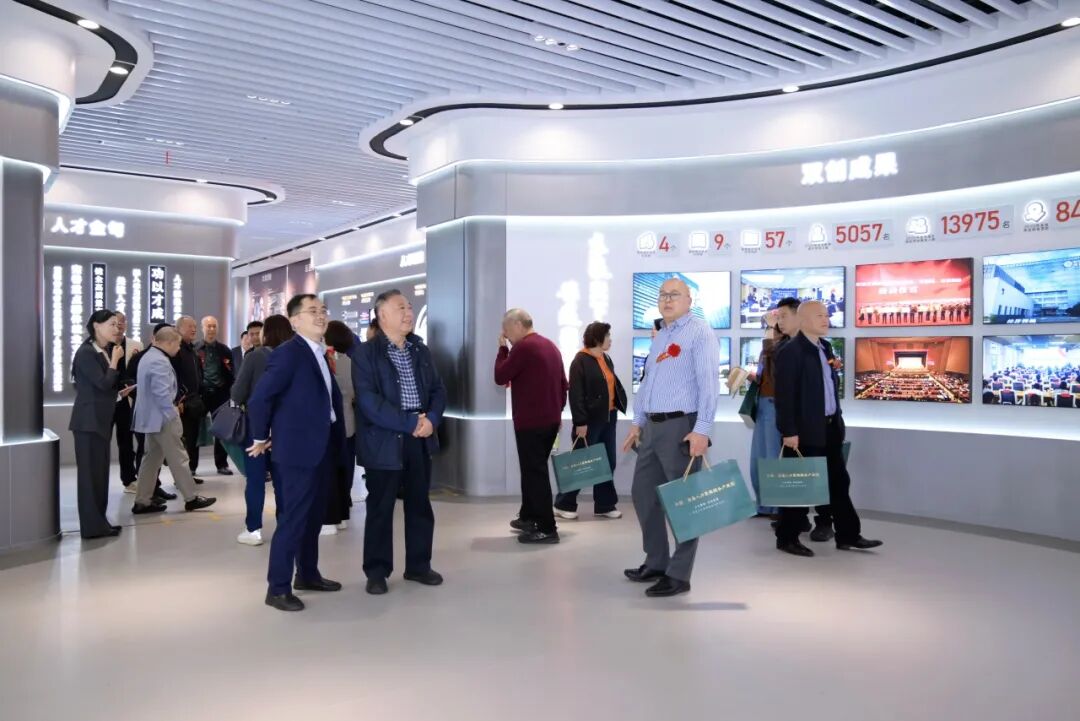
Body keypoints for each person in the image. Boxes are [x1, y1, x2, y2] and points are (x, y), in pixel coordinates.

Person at [620, 278, 720, 598]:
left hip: (681, 427)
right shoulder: (661, 333)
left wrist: (702, 429)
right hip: (652, 427)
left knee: (683, 502)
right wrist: (637, 422)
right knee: (643, 495)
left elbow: (709, 384)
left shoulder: (700, 332)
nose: (667, 299)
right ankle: (656, 562)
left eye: (674, 294)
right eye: (662, 295)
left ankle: (679, 574)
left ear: (690, 300)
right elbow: (648, 382)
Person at [248, 294, 345, 613]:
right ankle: (277, 588)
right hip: (297, 452)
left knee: (313, 516)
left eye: (323, 310)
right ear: (294, 321)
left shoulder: (318, 352)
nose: (320, 315)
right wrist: (261, 436)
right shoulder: (289, 353)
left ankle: (307, 574)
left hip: (321, 447)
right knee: (292, 519)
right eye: (312, 311)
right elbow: (260, 398)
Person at [352, 291, 447, 594]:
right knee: (380, 507)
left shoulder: (420, 349)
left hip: (419, 438)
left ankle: (419, 565)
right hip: (384, 440)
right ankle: (377, 571)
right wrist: (411, 423)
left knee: (420, 504)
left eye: (409, 307)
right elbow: (369, 402)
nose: (408, 312)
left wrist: (432, 419)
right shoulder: (366, 354)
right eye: (401, 308)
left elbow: (438, 390)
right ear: (382, 316)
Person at [773, 301, 883, 557]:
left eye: (826, 315)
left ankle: (848, 535)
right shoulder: (791, 351)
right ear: (803, 320)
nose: (825, 319)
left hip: (830, 428)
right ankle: (787, 538)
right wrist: (789, 431)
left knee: (839, 482)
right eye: (819, 316)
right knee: (798, 487)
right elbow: (784, 396)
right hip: (803, 432)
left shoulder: (825, 347)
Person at [494, 309, 568, 545]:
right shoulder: (550, 346)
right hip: (549, 421)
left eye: (507, 329)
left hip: (531, 422)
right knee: (532, 471)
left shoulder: (524, 347)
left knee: (535, 474)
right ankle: (528, 516)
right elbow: (564, 385)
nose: (505, 335)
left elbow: (500, 375)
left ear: (518, 325)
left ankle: (547, 528)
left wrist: (503, 350)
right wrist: (556, 412)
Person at [130, 327, 217, 515]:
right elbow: (162, 394)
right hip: (163, 419)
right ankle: (191, 498)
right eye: (177, 345)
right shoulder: (159, 361)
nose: (178, 349)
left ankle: (142, 501)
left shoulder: (148, 357)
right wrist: (173, 415)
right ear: (168, 343)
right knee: (179, 457)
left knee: (151, 460)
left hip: (152, 419)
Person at [554, 321, 627, 521]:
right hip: (589, 421)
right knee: (581, 463)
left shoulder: (606, 358)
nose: (610, 339)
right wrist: (580, 422)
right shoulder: (580, 360)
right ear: (597, 338)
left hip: (609, 417)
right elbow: (576, 394)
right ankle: (563, 504)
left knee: (608, 462)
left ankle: (605, 505)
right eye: (607, 336)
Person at [231, 314, 292, 546]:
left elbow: (237, 393)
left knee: (255, 480)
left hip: (257, 427)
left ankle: (253, 529)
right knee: (282, 480)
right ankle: (286, 526)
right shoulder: (295, 356)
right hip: (285, 427)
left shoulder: (255, 356)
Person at [69, 310, 130, 539]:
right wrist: (115, 361)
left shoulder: (102, 351)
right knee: (90, 477)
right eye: (112, 324)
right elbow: (103, 384)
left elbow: (104, 389)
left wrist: (120, 393)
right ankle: (92, 527)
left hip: (100, 421)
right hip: (88, 423)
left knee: (100, 475)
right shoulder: (86, 353)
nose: (117, 329)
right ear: (96, 326)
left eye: (118, 324)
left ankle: (100, 523)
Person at [747, 298, 799, 519]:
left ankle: (778, 507)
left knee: (772, 458)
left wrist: (770, 329)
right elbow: (765, 375)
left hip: (775, 406)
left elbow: (772, 354)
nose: (774, 323)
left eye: (779, 318)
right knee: (758, 459)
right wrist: (751, 377)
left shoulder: (785, 346)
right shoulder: (769, 348)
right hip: (763, 404)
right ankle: (764, 505)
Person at [322, 320, 357, 535]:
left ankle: (332, 512)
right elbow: (354, 393)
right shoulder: (350, 363)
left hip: (329, 424)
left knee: (330, 470)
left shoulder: (324, 360)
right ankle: (344, 508)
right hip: (349, 422)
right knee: (347, 467)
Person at [195, 315, 235, 476]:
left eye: (214, 326)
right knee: (195, 430)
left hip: (221, 394)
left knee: (221, 430)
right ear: (202, 328)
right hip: (201, 394)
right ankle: (191, 466)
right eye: (208, 326)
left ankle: (221, 464)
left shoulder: (224, 350)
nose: (211, 329)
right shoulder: (195, 349)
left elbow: (231, 372)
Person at [112, 312, 143, 492]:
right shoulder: (103, 345)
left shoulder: (136, 345)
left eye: (122, 321)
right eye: (115, 322)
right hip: (108, 399)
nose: (119, 325)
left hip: (128, 400)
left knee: (126, 441)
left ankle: (129, 479)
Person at [172, 316, 205, 484]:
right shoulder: (176, 350)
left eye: (195, 326)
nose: (194, 329)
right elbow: (174, 377)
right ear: (178, 329)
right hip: (183, 403)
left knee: (192, 440)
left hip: (195, 401)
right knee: (183, 441)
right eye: (190, 326)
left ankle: (189, 473)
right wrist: (178, 399)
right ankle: (181, 478)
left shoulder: (192, 349)